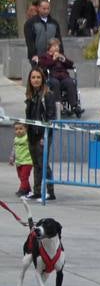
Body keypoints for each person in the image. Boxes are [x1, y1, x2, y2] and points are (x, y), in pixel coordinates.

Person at [22, 68, 56, 201]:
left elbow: (50, 116)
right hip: (32, 134)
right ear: (29, 80)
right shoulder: (30, 95)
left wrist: (44, 136)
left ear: (42, 79)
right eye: (33, 77)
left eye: (38, 77)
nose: (35, 80)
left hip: (43, 134)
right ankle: (37, 191)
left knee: (43, 163)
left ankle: (50, 192)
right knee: (36, 164)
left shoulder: (48, 95)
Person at [36, 38, 81, 115]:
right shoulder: (44, 56)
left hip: (63, 77)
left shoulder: (61, 55)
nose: (57, 48)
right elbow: (44, 66)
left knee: (70, 82)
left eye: (58, 46)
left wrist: (63, 59)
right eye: (54, 46)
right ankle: (59, 107)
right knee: (55, 83)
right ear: (49, 47)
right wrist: (53, 59)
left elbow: (71, 64)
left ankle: (74, 106)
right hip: (52, 77)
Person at [24, 0, 62, 65]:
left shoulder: (54, 23)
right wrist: (33, 55)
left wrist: (61, 53)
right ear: (39, 8)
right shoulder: (30, 23)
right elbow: (30, 41)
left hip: (52, 56)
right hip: (37, 57)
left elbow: (58, 40)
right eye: (44, 9)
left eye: (48, 9)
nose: (46, 11)